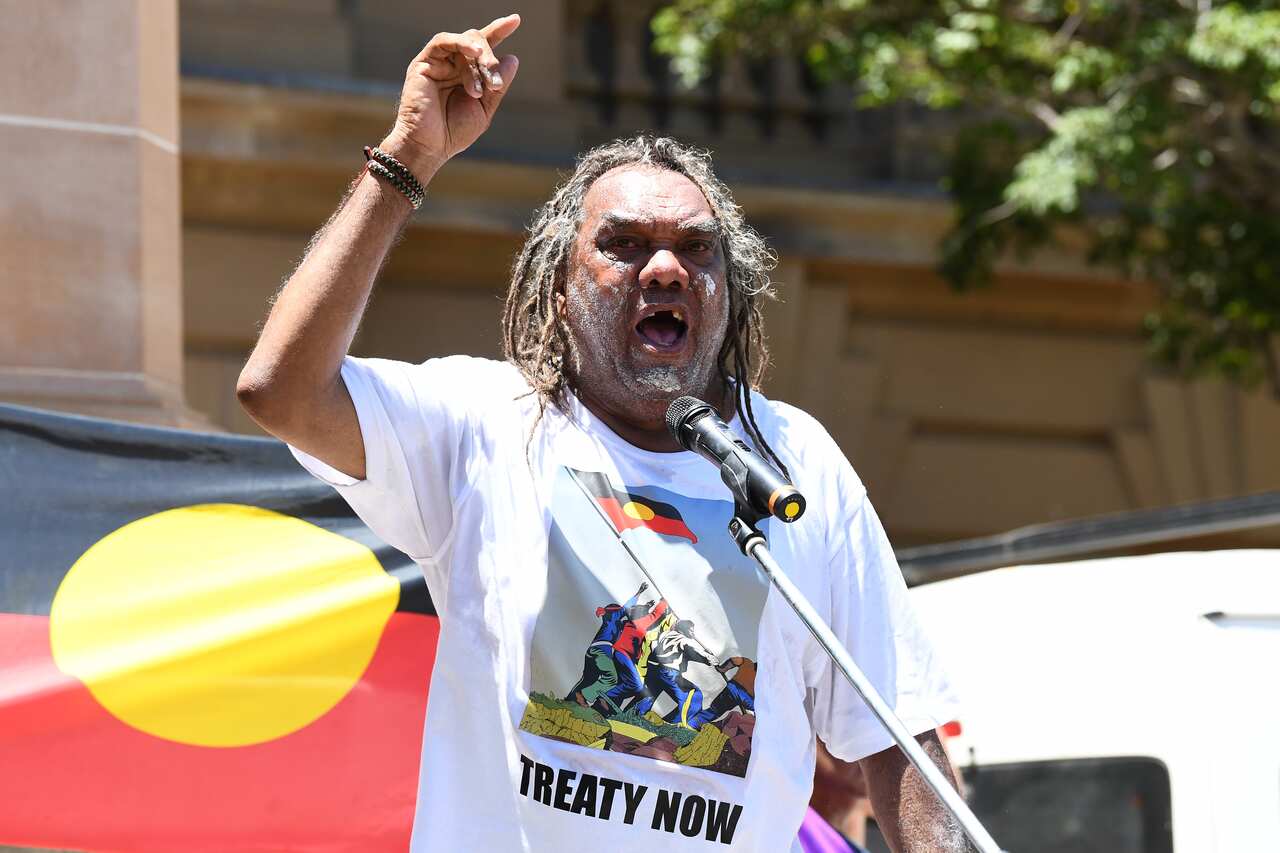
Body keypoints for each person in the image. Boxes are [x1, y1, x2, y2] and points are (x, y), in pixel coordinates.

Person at [236, 12, 968, 852]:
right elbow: (282, 392)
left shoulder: (796, 464)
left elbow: (896, 739)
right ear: (558, 290)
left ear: (728, 290)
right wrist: (408, 158)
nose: (666, 268)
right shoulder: (482, 426)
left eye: (697, 249)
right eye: (623, 245)